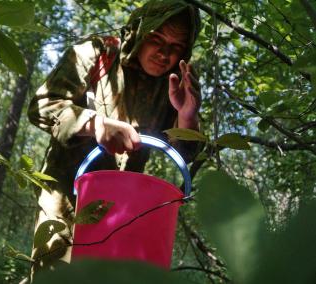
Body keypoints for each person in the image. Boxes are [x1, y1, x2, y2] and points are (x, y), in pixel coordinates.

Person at [28, 0, 201, 274]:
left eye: (176, 46)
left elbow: (185, 155)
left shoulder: (175, 84)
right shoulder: (99, 52)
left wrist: (188, 115)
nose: (163, 53)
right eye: (156, 39)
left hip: (122, 214)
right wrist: (94, 123)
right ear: (138, 32)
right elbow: (42, 105)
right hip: (65, 204)